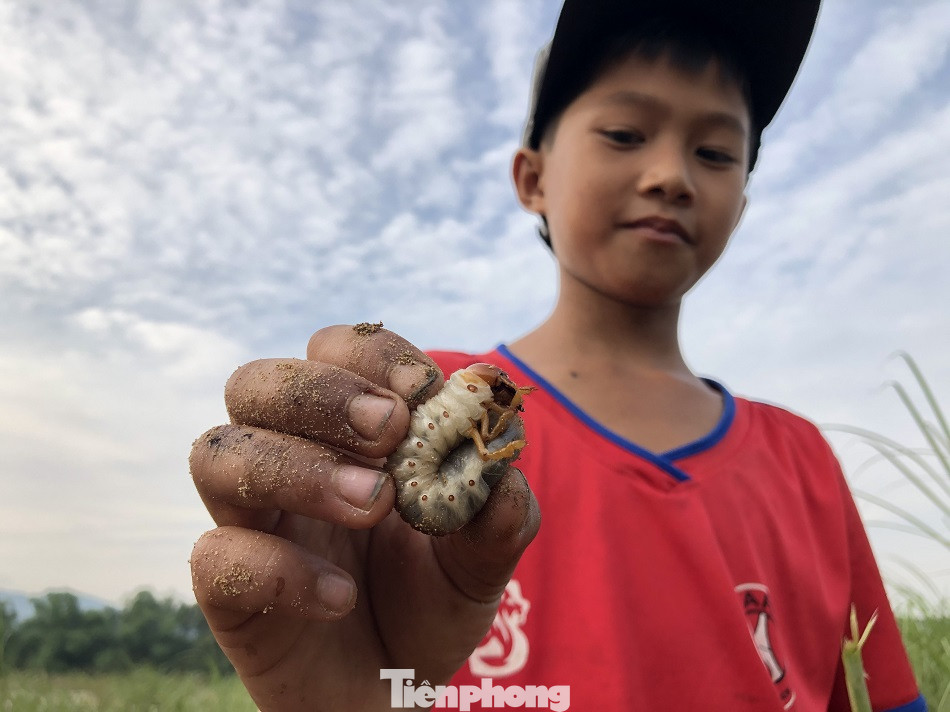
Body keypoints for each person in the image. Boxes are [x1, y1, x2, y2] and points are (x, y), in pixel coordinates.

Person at [188, 1, 927, 710]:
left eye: (714, 151)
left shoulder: (806, 466)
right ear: (531, 179)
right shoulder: (414, 393)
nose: (671, 174)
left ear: (742, 201)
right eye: (625, 134)